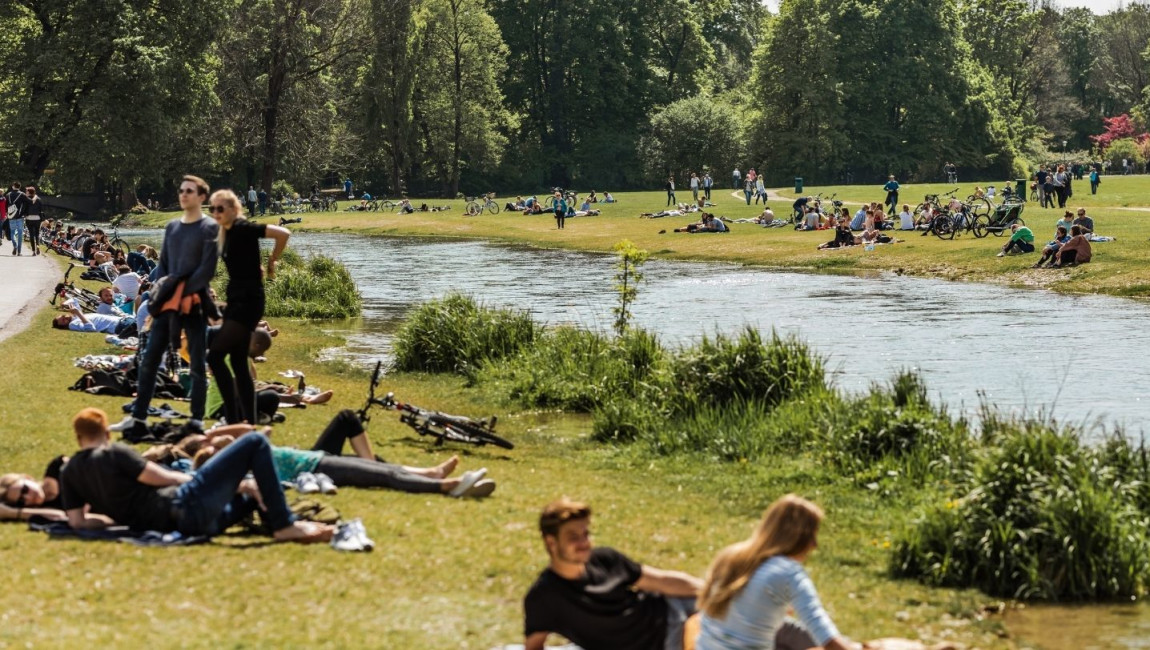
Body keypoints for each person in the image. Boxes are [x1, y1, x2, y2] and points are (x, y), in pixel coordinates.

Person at [61, 407, 334, 543]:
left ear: (78, 438)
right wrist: (216, 481)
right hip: (184, 505)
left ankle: (278, 516)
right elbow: (163, 478)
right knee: (256, 443)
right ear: (107, 433)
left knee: (252, 492)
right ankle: (285, 525)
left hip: (190, 526)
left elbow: (77, 521)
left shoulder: (69, 472)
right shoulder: (114, 452)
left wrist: (112, 521)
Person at [111, 175, 219, 438]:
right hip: (167, 301)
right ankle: (139, 416)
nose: (184, 195)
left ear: (202, 197)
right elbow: (166, 267)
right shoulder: (172, 227)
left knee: (195, 362)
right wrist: (164, 292)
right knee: (148, 360)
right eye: (181, 190)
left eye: (189, 191)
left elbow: (207, 269)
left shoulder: (210, 228)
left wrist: (183, 289)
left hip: (193, 303)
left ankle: (196, 421)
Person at [523, 498, 702, 650]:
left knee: (726, 609)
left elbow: (662, 581)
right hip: (668, 643)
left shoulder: (604, 559)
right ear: (551, 542)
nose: (584, 542)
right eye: (573, 537)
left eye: (585, 534)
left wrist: (714, 590)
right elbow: (533, 647)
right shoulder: (543, 597)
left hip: (675, 610)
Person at [190, 410, 496, 497]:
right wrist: (214, 437)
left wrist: (215, 435)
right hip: (318, 468)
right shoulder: (246, 466)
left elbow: (261, 434)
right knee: (384, 475)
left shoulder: (249, 455)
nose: (225, 441)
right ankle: (448, 486)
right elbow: (261, 434)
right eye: (218, 446)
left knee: (380, 472)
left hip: (319, 462)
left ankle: (440, 479)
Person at [694, 495, 858, 650]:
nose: (814, 545)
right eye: (812, 536)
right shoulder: (788, 572)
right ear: (798, 537)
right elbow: (825, 636)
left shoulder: (730, 557)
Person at [206, 189, 290, 426]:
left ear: (234, 209)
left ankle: (233, 418)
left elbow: (283, 233)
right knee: (238, 362)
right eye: (212, 208)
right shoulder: (226, 232)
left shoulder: (243, 227)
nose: (216, 213)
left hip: (248, 301)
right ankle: (247, 421)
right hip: (238, 299)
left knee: (215, 357)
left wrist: (272, 260)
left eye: (220, 208)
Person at [51, 304, 138, 336]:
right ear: (64, 326)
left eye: (63, 316)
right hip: (121, 325)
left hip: (124, 320)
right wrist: (77, 312)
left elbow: (75, 303)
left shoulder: (75, 318)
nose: (65, 318)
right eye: (63, 320)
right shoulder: (72, 324)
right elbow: (91, 328)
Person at [6, 182, 28, 255]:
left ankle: (14, 245)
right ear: (19, 187)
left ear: (13, 186)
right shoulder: (22, 195)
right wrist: (24, 214)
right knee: (20, 234)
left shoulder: (8, 195)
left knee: (12, 232)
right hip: (20, 217)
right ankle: (19, 252)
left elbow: (6, 206)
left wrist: (7, 213)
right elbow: (26, 204)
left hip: (11, 216)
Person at [23, 186, 43, 256]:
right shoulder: (39, 199)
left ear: (29, 192)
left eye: (26, 191)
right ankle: (37, 245)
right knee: (37, 234)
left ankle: (33, 251)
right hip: (37, 219)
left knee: (31, 234)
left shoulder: (26, 200)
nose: (26, 193)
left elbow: (24, 209)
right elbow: (41, 209)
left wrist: (24, 215)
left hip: (29, 219)